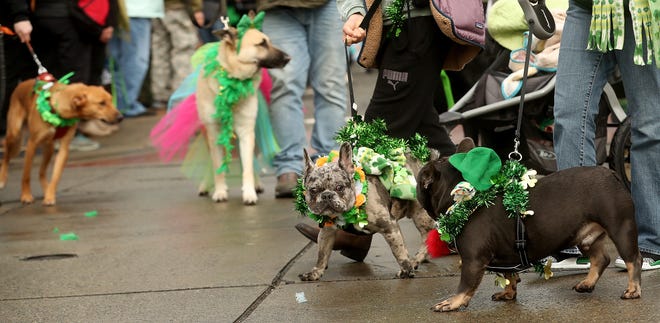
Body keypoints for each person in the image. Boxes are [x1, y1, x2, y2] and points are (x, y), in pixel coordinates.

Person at [295, 0, 478, 261]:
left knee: (374, 134)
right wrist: (356, 12)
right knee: (427, 132)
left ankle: (357, 233)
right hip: (401, 25)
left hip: (415, 22)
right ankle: (471, 220)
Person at [552, 0, 660, 270]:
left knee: (649, 124)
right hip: (587, 8)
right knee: (569, 116)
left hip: (640, 9)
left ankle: (651, 243)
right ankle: (579, 239)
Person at [256, 0, 349, 198]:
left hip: (331, 4)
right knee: (284, 85)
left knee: (331, 84)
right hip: (276, 6)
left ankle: (329, 162)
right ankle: (290, 166)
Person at [29, 0, 119, 151]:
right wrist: (98, 29)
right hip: (68, 20)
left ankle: (48, 132)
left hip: (41, 16)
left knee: (51, 79)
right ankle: (67, 134)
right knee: (73, 79)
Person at [108, 1, 164, 117]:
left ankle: (121, 104)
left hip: (118, 11)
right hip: (136, 10)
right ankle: (127, 105)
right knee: (136, 61)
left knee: (118, 61)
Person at [149, 0, 203, 109]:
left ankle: (160, 95)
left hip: (155, 8)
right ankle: (182, 94)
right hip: (178, 8)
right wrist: (196, 8)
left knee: (160, 52)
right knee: (184, 49)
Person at [1, 0, 37, 139]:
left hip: (18, 24)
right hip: (8, 26)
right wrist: (20, 16)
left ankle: (10, 136)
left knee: (26, 80)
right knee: (5, 84)